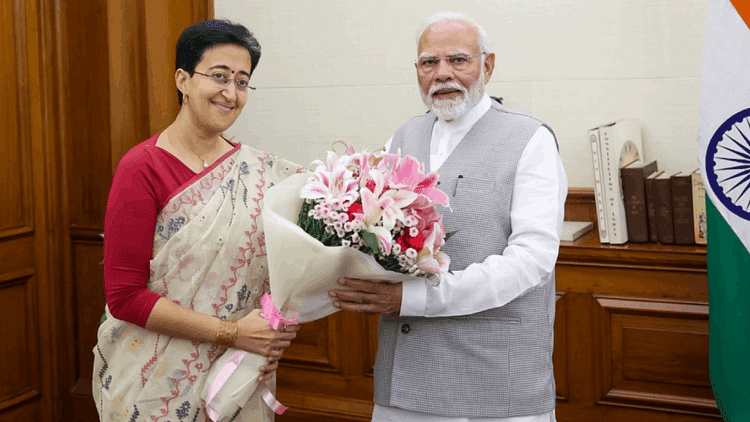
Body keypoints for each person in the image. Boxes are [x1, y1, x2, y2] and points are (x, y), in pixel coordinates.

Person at [329, 12, 567, 422]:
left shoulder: (531, 139)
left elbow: (533, 261)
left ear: (487, 66)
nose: (442, 74)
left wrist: (416, 298)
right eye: (428, 63)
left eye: (458, 60)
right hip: (404, 378)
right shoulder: (401, 139)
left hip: (493, 384)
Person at [93, 19, 301, 422]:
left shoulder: (261, 172)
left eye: (242, 82)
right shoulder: (142, 167)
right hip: (152, 382)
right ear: (183, 80)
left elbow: (282, 276)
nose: (231, 92)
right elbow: (123, 296)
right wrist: (231, 332)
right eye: (219, 76)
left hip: (238, 374)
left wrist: (271, 331)